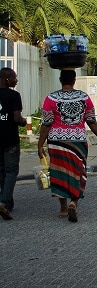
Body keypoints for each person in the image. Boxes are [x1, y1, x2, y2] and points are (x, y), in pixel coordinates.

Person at [37, 69, 97, 222]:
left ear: (60, 80)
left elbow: (47, 123)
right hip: (78, 142)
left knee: (59, 172)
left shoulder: (51, 98)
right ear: (74, 80)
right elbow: (91, 120)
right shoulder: (84, 97)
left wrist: (40, 144)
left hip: (57, 142)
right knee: (78, 171)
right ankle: (73, 202)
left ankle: (62, 208)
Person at [0, 68, 28, 220]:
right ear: (6, 79)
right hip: (10, 140)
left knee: (2, 171)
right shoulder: (14, 95)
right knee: (11, 172)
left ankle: (7, 203)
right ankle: (4, 202)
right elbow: (17, 118)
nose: (16, 80)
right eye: (14, 78)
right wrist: (24, 122)